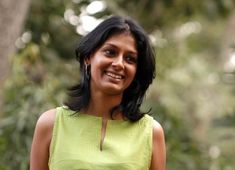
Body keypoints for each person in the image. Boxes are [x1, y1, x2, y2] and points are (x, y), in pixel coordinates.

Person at [30, 15, 166, 170]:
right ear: (89, 56)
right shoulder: (51, 124)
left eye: (130, 59)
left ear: (136, 70)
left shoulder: (151, 133)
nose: (119, 64)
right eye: (110, 52)